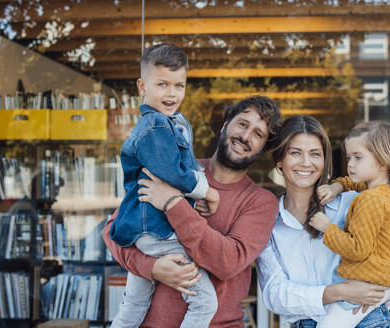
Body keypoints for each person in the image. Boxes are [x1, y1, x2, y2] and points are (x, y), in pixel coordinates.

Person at [103, 95, 281, 327]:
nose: (246, 137)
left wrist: (174, 204)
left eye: (258, 134)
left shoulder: (260, 201)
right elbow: (113, 231)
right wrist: (152, 268)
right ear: (226, 124)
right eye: (243, 124)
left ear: (263, 147)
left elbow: (227, 262)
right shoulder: (176, 170)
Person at [109, 43, 221, 328]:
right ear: (142, 86)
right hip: (160, 233)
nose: (172, 93)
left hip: (143, 231)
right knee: (205, 302)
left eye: (179, 85)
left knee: (134, 304)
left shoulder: (169, 123)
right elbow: (174, 173)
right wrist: (206, 190)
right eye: (162, 84)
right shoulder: (156, 127)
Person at [256, 115, 390, 328]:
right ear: (279, 160)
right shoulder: (268, 223)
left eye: (315, 154)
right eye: (295, 153)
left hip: (367, 320)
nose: (306, 163)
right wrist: (337, 292)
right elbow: (276, 295)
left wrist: (383, 290)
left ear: (324, 161)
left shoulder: (353, 204)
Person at [309, 120, 390, 327]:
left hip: (370, 281)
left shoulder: (369, 199)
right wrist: (336, 187)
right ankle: (387, 293)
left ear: (382, 161)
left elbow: (357, 249)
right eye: (349, 157)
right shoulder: (388, 191)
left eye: (358, 157)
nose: (350, 164)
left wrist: (327, 228)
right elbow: (355, 182)